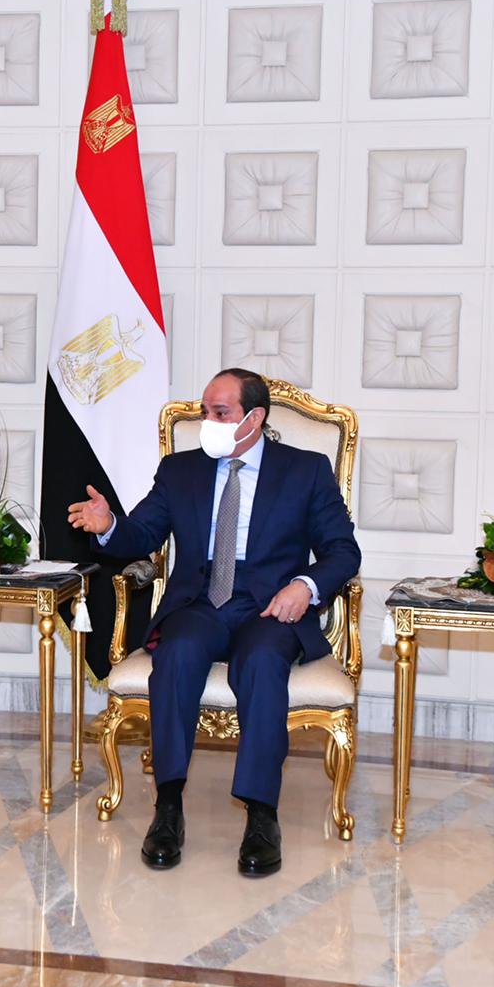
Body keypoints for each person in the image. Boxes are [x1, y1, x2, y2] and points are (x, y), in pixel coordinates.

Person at [68, 368, 361, 877]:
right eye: (206, 411)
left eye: (220, 413)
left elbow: (343, 551)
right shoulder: (180, 470)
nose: (208, 422)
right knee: (176, 652)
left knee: (262, 661)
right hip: (200, 603)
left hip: (269, 605)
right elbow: (142, 533)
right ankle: (168, 806)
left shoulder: (305, 470)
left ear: (255, 417)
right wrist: (109, 524)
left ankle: (262, 815)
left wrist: (305, 587)